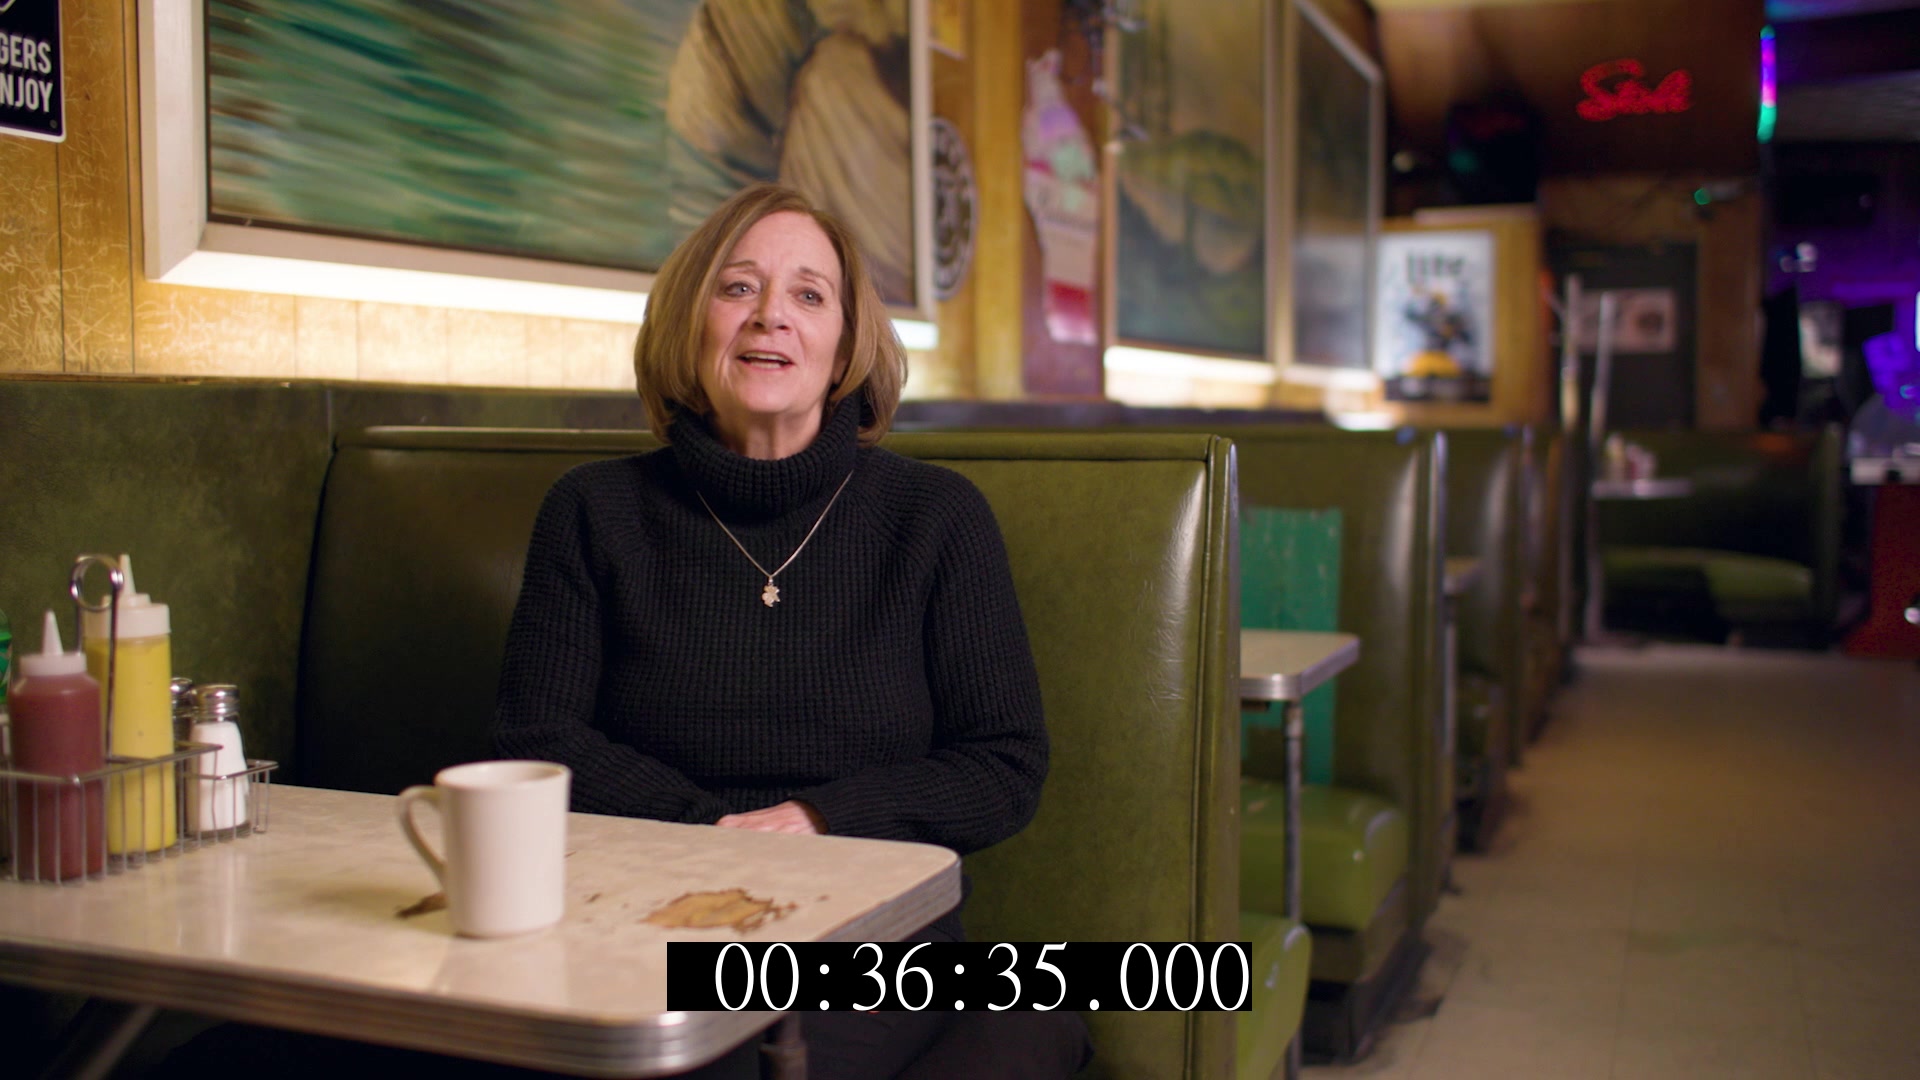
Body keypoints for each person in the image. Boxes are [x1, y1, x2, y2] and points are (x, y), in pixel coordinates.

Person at [492, 182, 1091, 1080]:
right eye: (737, 288)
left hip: (872, 934)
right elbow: (534, 739)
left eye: (809, 295)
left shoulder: (936, 517)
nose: (770, 314)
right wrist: (710, 833)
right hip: (641, 909)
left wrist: (822, 820)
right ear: (687, 323)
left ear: (846, 344)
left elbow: (1004, 764)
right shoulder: (593, 510)